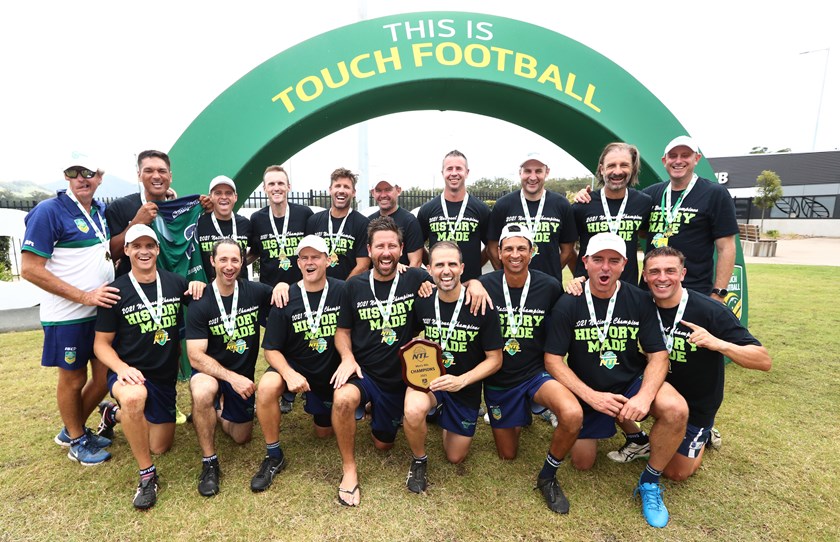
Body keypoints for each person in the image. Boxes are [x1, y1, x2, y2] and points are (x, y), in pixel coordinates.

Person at [329, 216, 488, 506]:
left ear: (402, 249)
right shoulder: (354, 286)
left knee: (383, 445)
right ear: (369, 249)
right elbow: (342, 331)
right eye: (380, 246)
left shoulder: (416, 278)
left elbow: (450, 281)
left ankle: (404, 412)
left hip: (405, 379)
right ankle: (349, 470)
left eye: (392, 245)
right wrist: (348, 357)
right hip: (366, 375)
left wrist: (475, 283)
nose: (386, 252)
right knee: (341, 400)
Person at [544, 232, 687, 528]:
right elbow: (553, 360)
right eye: (598, 260)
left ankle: (649, 483)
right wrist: (592, 397)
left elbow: (658, 355)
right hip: (588, 388)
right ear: (585, 263)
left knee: (675, 409)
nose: (605, 268)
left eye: (613, 261)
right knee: (583, 463)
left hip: (629, 381)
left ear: (624, 264)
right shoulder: (568, 302)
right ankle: (635, 436)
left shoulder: (639, 300)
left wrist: (644, 397)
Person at [623, 246, 770, 481]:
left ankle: (703, 434)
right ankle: (638, 438)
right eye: (654, 271)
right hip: (658, 389)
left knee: (675, 472)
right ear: (644, 275)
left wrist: (719, 344)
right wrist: (577, 282)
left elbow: (763, 360)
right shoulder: (640, 303)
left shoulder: (710, 310)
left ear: (682, 274)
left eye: (670, 271)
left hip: (697, 405)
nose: (662, 278)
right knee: (609, 380)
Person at [93, 225, 205, 510]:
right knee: (134, 398)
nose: (144, 251)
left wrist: (199, 285)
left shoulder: (175, 283)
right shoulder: (116, 291)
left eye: (149, 246)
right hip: (130, 373)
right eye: (137, 246)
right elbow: (101, 345)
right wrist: (121, 368)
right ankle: (147, 475)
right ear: (127, 250)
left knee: (160, 445)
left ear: (157, 250)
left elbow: (205, 300)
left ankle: (112, 414)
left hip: (164, 378)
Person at [478, 224, 582, 514]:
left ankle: (548, 475)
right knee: (507, 455)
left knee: (572, 413)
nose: (515, 254)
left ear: (532, 252)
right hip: (499, 381)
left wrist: (575, 285)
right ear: (498, 252)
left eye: (521, 248)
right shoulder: (483, 285)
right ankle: (522, 413)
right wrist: (471, 283)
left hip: (535, 374)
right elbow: (451, 292)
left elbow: (567, 315)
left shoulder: (548, 285)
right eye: (508, 248)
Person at [21, 155, 118, 465]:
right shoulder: (49, 211)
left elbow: (102, 252)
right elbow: (30, 269)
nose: (81, 178)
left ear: (100, 176)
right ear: (66, 177)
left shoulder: (99, 210)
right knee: (73, 379)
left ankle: (72, 430)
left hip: (99, 312)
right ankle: (76, 440)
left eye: (88, 172)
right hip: (67, 315)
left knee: (104, 378)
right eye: (73, 173)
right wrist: (83, 296)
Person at [574, 137, 738, 299]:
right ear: (664, 160)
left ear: (697, 158)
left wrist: (719, 293)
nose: (678, 161)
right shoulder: (650, 195)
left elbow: (726, 247)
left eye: (685, 155)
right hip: (650, 289)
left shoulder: (714, 194)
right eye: (673, 156)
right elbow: (643, 231)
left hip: (694, 289)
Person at [184, 239, 285, 497]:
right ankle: (209, 463)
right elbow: (195, 356)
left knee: (242, 437)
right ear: (212, 261)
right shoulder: (201, 298)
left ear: (243, 262)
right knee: (204, 390)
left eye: (235, 260)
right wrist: (232, 379)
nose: (229, 266)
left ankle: (213, 411)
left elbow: (285, 296)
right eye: (223, 260)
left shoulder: (255, 291)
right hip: (211, 372)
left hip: (242, 378)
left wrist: (283, 284)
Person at [403, 241, 503, 495]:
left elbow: (495, 359)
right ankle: (419, 460)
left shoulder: (481, 304)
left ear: (462, 268)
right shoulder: (422, 300)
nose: (446, 271)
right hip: (431, 381)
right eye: (439, 265)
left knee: (455, 456)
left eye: (451, 264)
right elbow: (410, 338)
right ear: (429, 269)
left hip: (463, 387)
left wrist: (462, 381)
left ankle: (441, 413)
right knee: (413, 410)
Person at [251, 235, 345, 492]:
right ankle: (273, 454)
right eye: (304, 257)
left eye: (316, 257)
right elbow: (270, 349)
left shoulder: (343, 290)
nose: (310, 262)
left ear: (328, 260)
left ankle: (324, 404)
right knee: (268, 385)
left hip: (329, 371)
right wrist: (289, 374)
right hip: (296, 367)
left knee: (323, 433)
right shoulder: (285, 296)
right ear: (298, 262)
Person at [106, 150, 209, 278]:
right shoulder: (120, 207)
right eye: (149, 171)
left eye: (162, 171)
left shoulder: (182, 210)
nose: (156, 176)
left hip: (174, 286)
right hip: (136, 290)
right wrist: (136, 223)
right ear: (139, 175)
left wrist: (208, 209)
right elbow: (110, 255)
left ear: (170, 177)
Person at [571, 143, 652, 284]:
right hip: (588, 287)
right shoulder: (583, 204)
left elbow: (644, 233)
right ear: (602, 169)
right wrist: (578, 275)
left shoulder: (643, 203)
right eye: (611, 165)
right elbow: (568, 247)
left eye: (624, 165)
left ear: (632, 169)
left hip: (627, 289)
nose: (618, 171)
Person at [487, 152, 577, 278]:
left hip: (549, 289)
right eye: (528, 171)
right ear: (520, 173)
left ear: (547, 172)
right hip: (512, 287)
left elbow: (567, 251)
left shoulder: (561, 204)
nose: (533, 177)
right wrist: (506, 274)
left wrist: (550, 275)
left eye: (538, 171)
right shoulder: (503, 205)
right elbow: (492, 249)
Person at [417, 150, 491, 281]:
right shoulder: (427, 209)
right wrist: (432, 263)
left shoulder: (481, 209)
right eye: (449, 168)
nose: (454, 173)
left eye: (459, 168)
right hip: (439, 284)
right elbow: (417, 245)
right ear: (443, 173)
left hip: (471, 286)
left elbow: (490, 246)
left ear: (467, 172)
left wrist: (475, 264)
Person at [250, 165, 314, 288]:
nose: (276, 188)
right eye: (271, 184)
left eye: (280, 183)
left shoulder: (304, 214)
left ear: (288, 187)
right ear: (265, 188)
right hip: (269, 291)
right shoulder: (256, 219)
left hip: (300, 288)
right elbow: (255, 251)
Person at [306, 167, 370, 280]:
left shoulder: (363, 223)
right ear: (330, 190)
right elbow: (307, 258)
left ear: (353, 192)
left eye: (346, 187)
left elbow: (363, 265)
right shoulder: (314, 221)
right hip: (318, 289)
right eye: (337, 186)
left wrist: (343, 289)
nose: (341, 190)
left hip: (349, 290)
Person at [195, 175, 253, 281]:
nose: (224, 197)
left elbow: (256, 250)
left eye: (228, 193)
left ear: (235, 197)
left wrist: (241, 263)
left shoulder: (245, 223)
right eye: (218, 193)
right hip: (209, 289)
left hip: (241, 289)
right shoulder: (199, 224)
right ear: (210, 197)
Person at [367, 179, 423, 267]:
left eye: (388, 190)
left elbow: (416, 262)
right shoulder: (368, 221)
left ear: (398, 190)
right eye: (378, 190)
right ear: (373, 193)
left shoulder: (409, 221)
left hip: (402, 279)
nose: (383, 195)